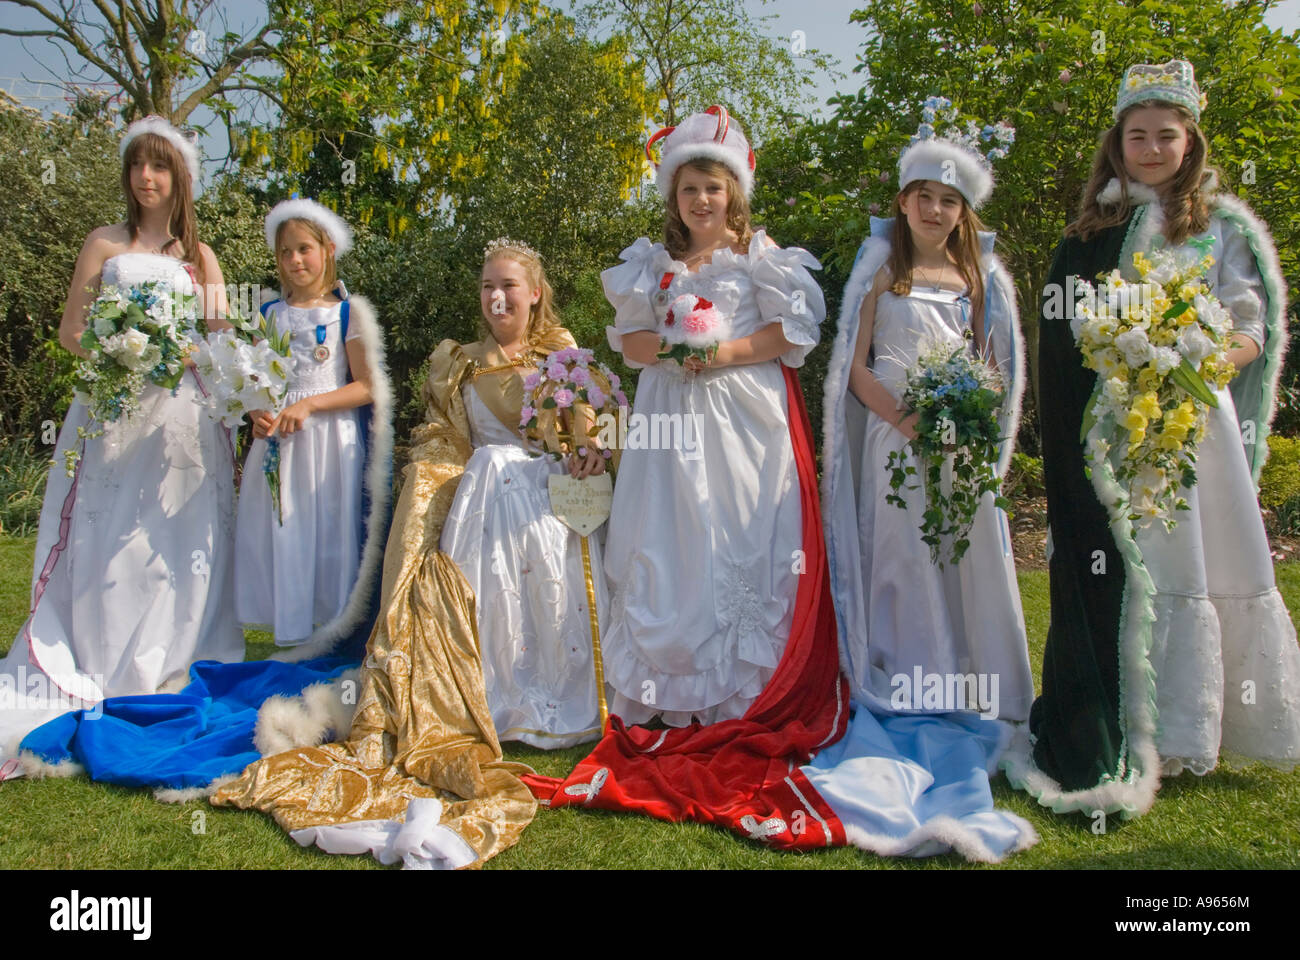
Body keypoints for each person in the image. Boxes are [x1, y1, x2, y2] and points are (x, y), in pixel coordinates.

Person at [1003, 60, 1300, 819]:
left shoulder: (1219, 227)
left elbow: (1249, 327)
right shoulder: (1091, 230)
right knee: (1131, 567)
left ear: (1189, 141)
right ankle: (1127, 722)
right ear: (1118, 143)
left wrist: (1196, 361)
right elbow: (1066, 337)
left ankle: (1197, 725)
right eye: (1137, 135)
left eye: (1166, 135)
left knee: (1192, 557)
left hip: (1194, 423)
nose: (1151, 147)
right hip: (1115, 430)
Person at [804, 103, 1037, 861]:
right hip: (897, 443)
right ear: (902, 202)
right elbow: (858, 365)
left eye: (949, 200)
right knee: (904, 560)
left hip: (956, 447)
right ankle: (907, 679)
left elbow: (991, 362)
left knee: (962, 561)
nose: (936, 209)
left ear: (961, 209)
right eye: (923, 197)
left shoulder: (978, 275)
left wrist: (970, 412)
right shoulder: (882, 268)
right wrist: (905, 419)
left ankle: (972, 682)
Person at [1, 116, 242, 778]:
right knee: (112, 540)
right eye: (138, 165)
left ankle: (172, 661)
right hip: (113, 410)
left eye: (159, 166)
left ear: (179, 178)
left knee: (174, 541)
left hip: (181, 420)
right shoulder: (104, 243)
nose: (146, 177)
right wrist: (121, 354)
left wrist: (186, 352)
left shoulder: (200, 256)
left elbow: (219, 338)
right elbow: (71, 331)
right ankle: (102, 661)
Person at [599, 105, 826, 726]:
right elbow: (636, 345)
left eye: (714, 188)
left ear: (734, 195)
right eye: (690, 188)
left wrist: (719, 353)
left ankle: (739, 688)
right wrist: (679, 351)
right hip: (669, 414)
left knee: (734, 532)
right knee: (670, 536)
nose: (703, 199)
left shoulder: (760, 256)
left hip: (739, 418)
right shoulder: (652, 265)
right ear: (674, 195)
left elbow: (787, 335)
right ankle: (664, 680)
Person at [436, 238, 607, 748]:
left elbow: (587, 426)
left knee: (502, 466)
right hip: (485, 500)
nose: (497, 296)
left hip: (553, 494)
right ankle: (492, 684)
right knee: (492, 462)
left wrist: (592, 447)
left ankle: (554, 683)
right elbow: (446, 441)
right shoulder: (458, 361)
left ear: (534, 292)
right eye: (488, 286)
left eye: (508, 285)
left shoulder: (561, 350)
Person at [235, 198, 393, 659]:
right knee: (287, 525)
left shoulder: (347, 312)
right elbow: (255, 378)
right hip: (280, 442)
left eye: (304, 249)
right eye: (285, 252)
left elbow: (367, 386)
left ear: (326, 250)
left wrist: (311, 403)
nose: (295, 260)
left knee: (328, 525)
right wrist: (255, 412)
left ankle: (334, 629)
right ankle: (291, 626)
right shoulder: (268, 314)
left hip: (330, 439)